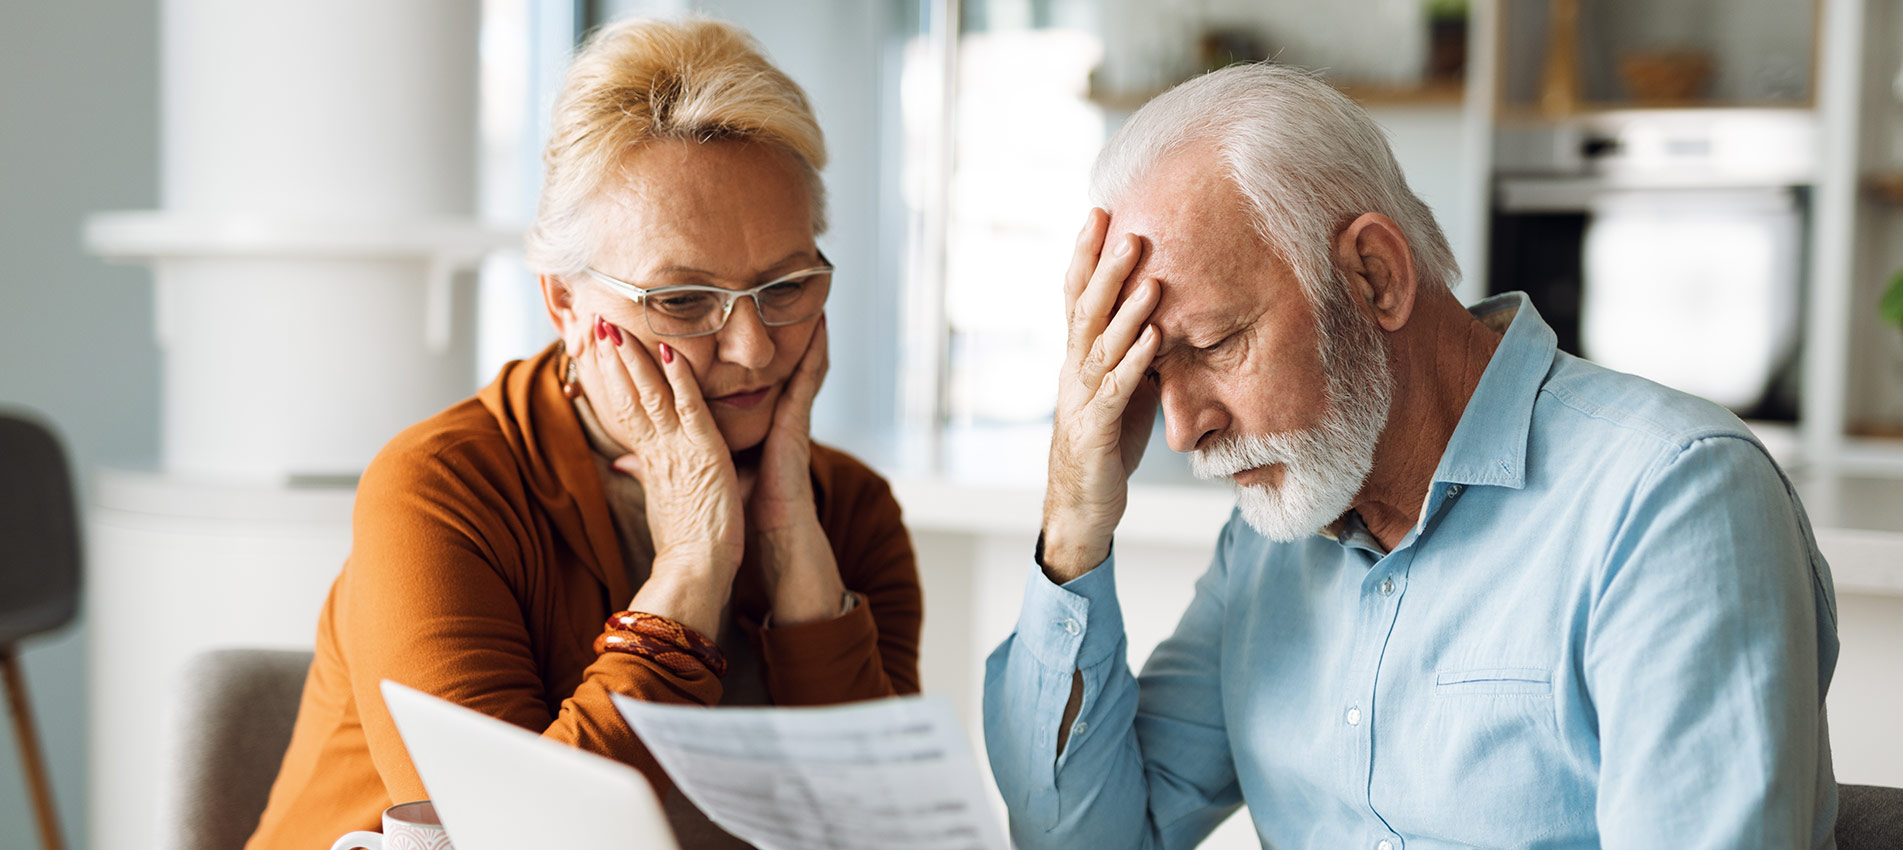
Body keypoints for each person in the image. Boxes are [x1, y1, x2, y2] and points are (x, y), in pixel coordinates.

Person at [984, 63, 1838, 849]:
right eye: (1149, 373)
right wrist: (1073, 519)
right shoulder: (1269, 543)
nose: (1180, 431)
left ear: (1374, 276)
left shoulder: (1670, 499)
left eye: (1212, 344)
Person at [246, 17, 921, 850]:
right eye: (683, 301)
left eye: (785, 287)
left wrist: (793, 558)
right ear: (564, 301)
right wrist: (692, 567)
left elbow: (881, 834)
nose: (751, 348)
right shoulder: (441, 488)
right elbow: (505, 839)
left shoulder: (849, 508)